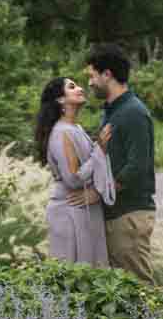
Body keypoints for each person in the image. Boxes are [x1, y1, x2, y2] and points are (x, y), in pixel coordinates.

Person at [86, 43, 156, 284]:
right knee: (126, 291)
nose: (90, 83)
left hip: (129, 215)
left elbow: (138, 166)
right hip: (117, 214)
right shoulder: (113, 111)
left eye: (92, 76)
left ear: (107, 74)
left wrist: (100, 193)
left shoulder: (133, 112)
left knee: (139, 287)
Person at [34, 75, 114, 265]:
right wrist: (100, 149)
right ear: (60, 99)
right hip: (70, 211)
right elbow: (73, 179)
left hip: (84, 208)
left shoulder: (75, 128)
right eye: (72, 87)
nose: (80, 88)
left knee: (90, 273)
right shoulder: (62, 132)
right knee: (75, 274)